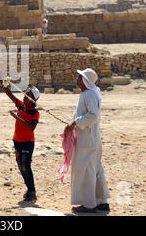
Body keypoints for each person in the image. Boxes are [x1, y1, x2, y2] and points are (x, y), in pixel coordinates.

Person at [65, 68, 110, 214]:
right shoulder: (91, 93)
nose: (77, 80)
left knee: (86, 171)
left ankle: (89, 204)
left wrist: (75, 123)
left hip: (87, 141)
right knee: (96, 170)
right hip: (92, 139)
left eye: (80, 78)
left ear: (86, 81)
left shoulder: (89, 94)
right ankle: (102, 202)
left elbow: (92, 115)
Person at [2, 81, 41, 202]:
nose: (24, 97)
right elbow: (10, 94)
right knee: (21, 166)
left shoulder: (35, 113)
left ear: (33, 99)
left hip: (27, 142)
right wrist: (5, 85)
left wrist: (16, 117)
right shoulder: (21, 106)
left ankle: (32, 191)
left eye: (27, 95)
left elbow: (31, 127)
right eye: (25, 94)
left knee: (26, 165)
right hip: (17, 141)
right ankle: (29, 190)